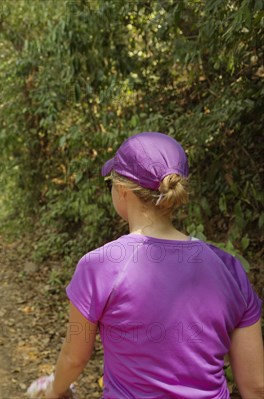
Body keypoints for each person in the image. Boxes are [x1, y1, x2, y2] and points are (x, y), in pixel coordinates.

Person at [30, 132, 263, 399]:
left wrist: (54, 391)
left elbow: (74, 359)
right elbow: (256, 387)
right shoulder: (227, 267)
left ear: (122, 191)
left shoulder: (99, 266)